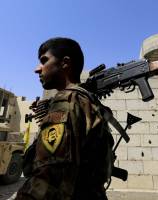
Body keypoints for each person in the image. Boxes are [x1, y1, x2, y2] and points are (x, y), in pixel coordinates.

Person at [15, 37, 114, 200]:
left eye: (44, 61)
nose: (37, 69)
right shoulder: (88, 102)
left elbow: (48, 182)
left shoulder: (66, 101)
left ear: (65, 63)